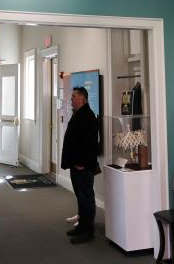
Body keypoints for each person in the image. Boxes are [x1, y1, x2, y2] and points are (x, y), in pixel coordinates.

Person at [61, 86, 100, 244]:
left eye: (74, 96)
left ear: (82, 98)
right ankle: (82, 227)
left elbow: (90, 144)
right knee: (80, 197)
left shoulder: (89, 116)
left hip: (83, 166)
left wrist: (82, 163)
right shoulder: (78, 114)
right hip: (75, 164)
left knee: (86, 198)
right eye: (71, 96)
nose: (71, 99)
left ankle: (88, 231)